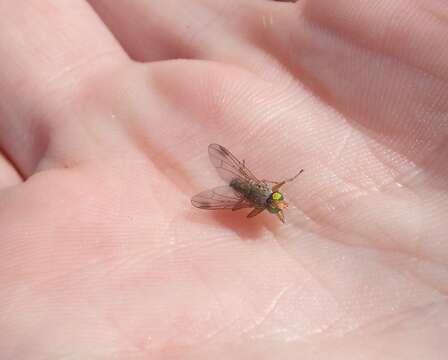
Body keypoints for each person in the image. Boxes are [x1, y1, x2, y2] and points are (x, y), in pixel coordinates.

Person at [0, 0, 446, 358]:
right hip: (235, 189)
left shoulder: (266, 198)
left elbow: (259, 186)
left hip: (240, 185)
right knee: (233, 189)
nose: (278, 204)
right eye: (275, 202)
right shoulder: (251, 201)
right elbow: (238, 188)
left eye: (275, 203)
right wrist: (255, 200)